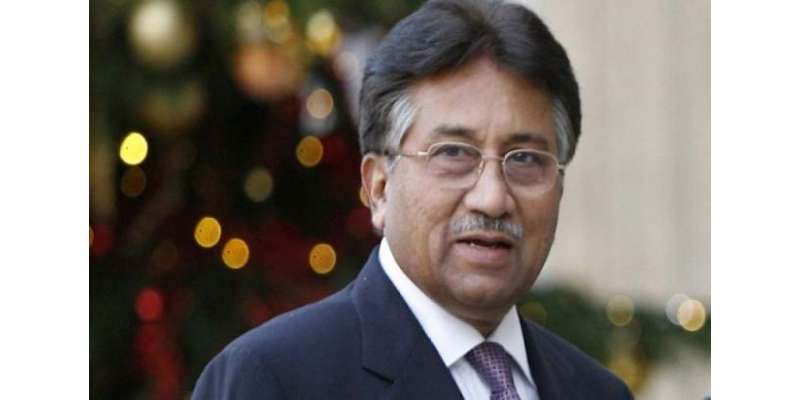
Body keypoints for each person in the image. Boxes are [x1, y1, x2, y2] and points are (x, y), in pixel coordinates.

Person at [192, 0, 633, 398]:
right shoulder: (274, 379)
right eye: (454, 154)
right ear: (379, 187)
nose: (493, 198)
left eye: (525, 159)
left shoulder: (597, 392)